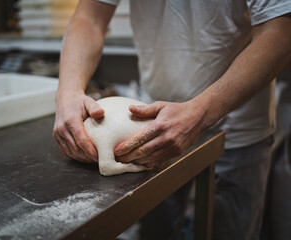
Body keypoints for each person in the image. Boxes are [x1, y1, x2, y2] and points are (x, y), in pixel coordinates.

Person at [53, 0, 291, 239]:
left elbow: (280, 32)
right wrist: (68, 92)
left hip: (237, 124)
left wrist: (201, 113)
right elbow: (90, 17)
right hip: (148, 127)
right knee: (157, 232)